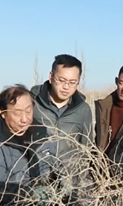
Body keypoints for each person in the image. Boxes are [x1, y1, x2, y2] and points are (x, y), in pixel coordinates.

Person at [30, 54, 94, 185]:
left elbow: (85, 149)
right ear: (51, 77)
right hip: (35, 180)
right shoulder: (32, 102)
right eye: (61, 80)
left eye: (72, 82)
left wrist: (80, 186)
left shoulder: (83, 110)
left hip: (68, 182)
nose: (66, 87)